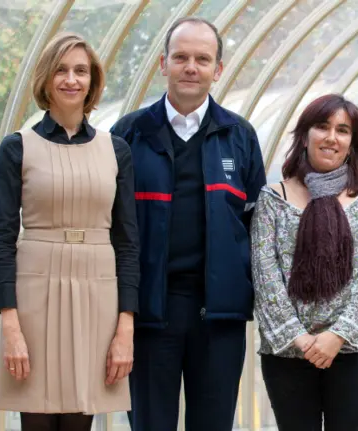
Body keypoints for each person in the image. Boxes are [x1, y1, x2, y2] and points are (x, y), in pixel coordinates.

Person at [110, 16, 266, 431]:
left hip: (219, 315)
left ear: (217, 69)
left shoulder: (240, 136)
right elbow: (112, 228)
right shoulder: (128, 134)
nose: (190, 67)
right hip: (149, 312)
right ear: (163, 64)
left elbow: (259, 228)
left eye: (202, 59)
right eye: (181, 57)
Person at [0, 32, 139, 431]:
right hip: (33, 299)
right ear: (46, 78)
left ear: (92, 81)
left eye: (81, 71)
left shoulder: (116, 150)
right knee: (36, 418)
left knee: (78, 422)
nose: (71, 79)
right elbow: (1, 241)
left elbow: (127, 243)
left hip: (97, 297)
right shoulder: (16, 148)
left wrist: (125, 327)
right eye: (62, 69)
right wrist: (11, 327)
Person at [251, 94, 358, 431]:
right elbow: (265, 277)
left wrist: (337, 336)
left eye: (343, 130)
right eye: (322, 126)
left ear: (352, 143)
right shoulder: (272, 199)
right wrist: (299, 339)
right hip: (287, 353)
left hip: (355, 350)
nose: (331, 137)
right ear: (305, 134)